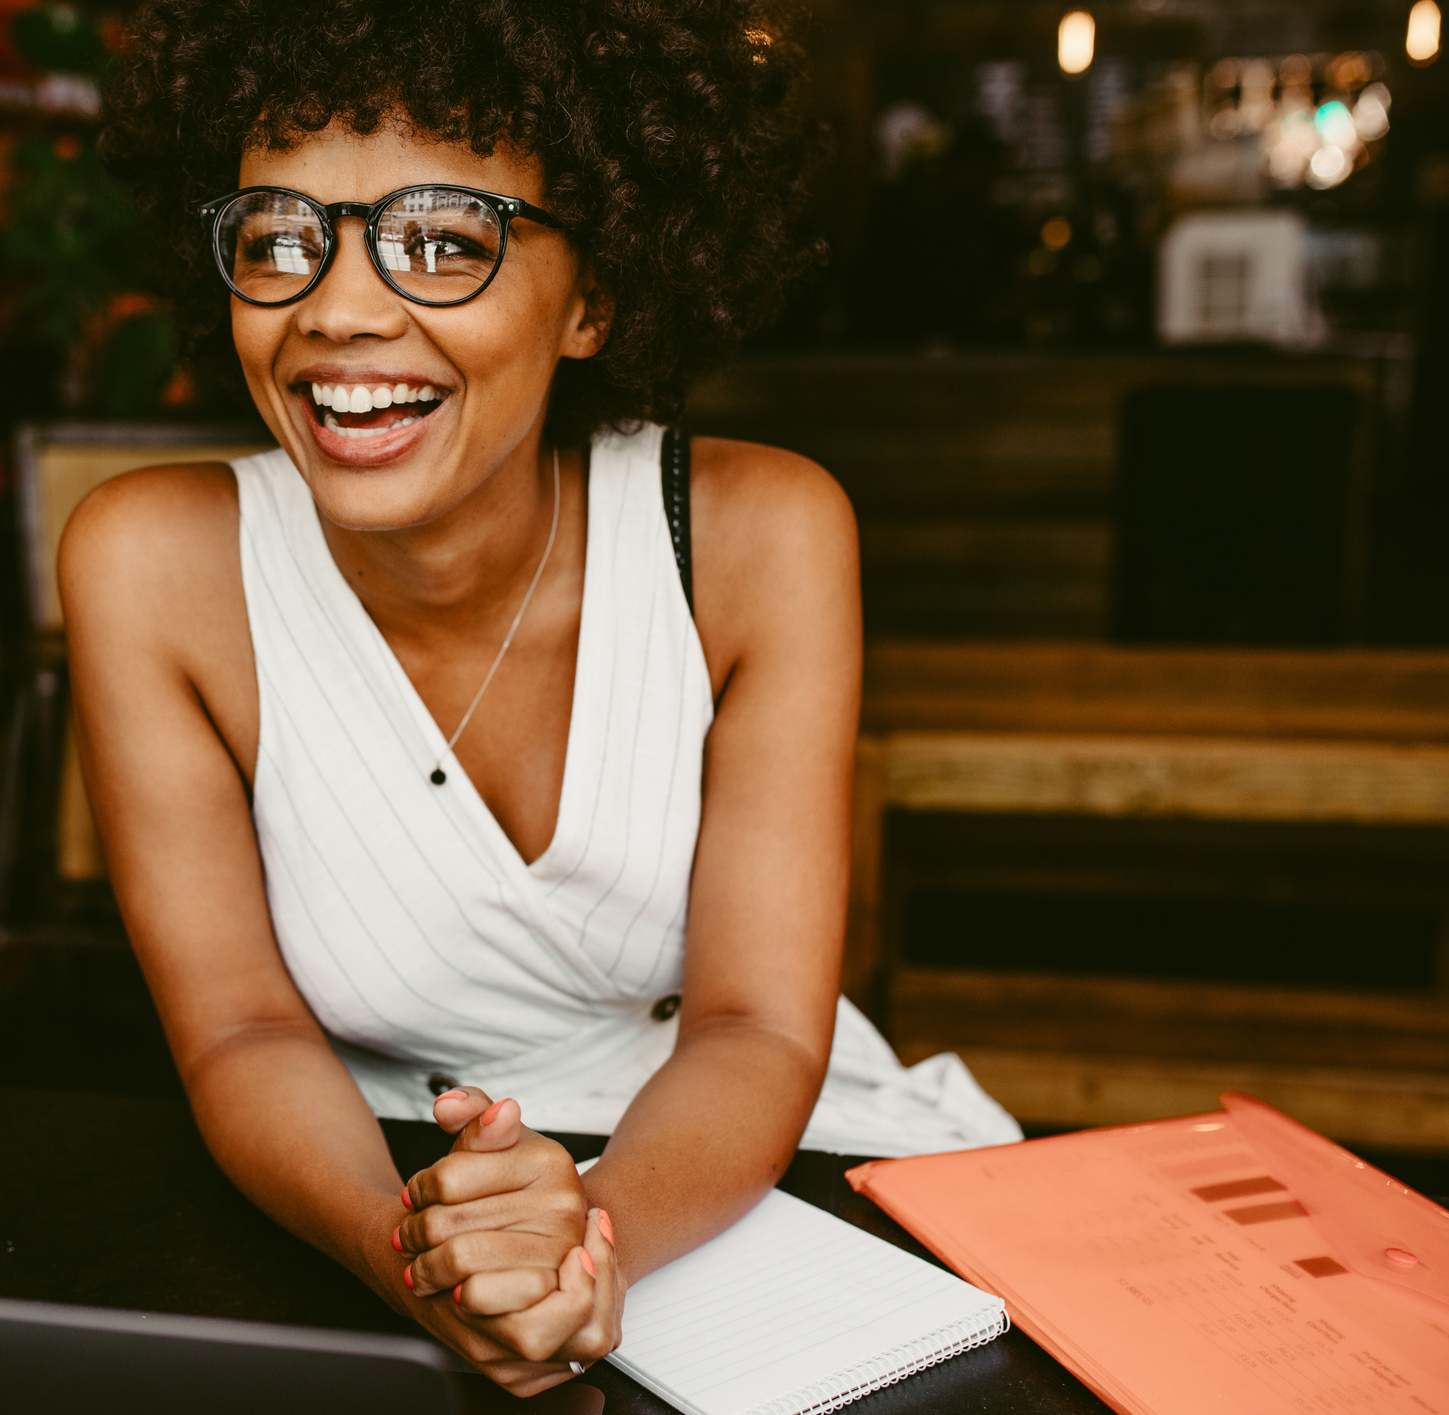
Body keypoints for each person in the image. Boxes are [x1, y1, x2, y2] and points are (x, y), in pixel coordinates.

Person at [64, 0, 1017, 1396]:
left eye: (445, 242)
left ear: (595, 299)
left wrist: (586, 1246)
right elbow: (240, 1033)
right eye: (279, 238)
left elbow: (754, 1024)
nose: (334, 308)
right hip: (392, 1191)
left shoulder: (757, 536)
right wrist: (423, 1259)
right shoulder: (152, 564)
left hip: (758, 1185)